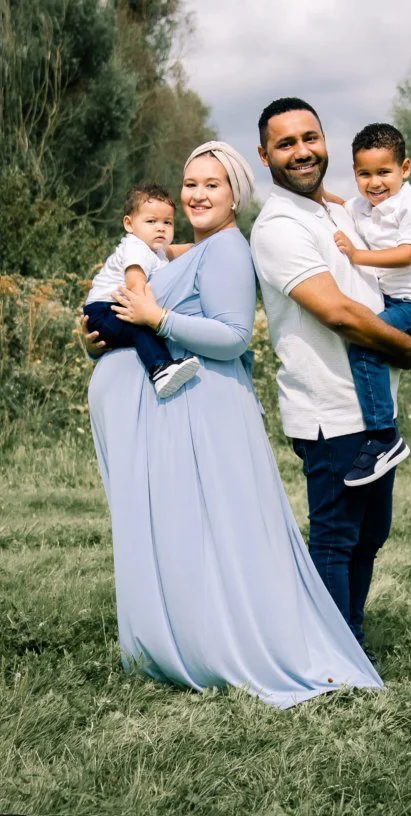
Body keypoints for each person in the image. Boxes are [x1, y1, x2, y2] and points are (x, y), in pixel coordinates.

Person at [84, 140, 383, 709]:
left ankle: (222, 640)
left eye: (212, 184)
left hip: (202, 411)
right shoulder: (177, 253)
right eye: (190, 183)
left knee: (214, 533)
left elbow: (232, 336)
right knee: (188, 532)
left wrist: (158, 317)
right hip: (174, 414)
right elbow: (118, 308)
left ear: (235, 195)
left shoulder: (226, 251)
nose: (197, 193)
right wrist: (95, 335)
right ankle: (188, 634)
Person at [250, 98, 411, 652]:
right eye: (286, 143)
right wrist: (406, 348)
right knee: (336, 538)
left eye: (311, 137)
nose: (302, 151)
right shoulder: (278, 226)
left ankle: (348, 637)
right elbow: (337, 312)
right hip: (328, 411)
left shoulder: (332, 211)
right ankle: (330, 655)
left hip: (370, 410)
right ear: (264, 155)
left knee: (370, 534)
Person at [329, 122, 411, 487]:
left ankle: (384, 437)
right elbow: (334, 202)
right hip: (399, 301)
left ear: (405, 169)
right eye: (365, 174)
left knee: (365, 347)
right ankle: (408, 357)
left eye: (384, 172)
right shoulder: (361, 205)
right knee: (379, 351)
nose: (375, 183)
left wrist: (357, 255)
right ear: (355, 173)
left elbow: (407, 255)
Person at [84, 183, 199, 399]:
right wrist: (149, 314)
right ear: (129, 224)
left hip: (112, 309)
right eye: (151, 221)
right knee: (140, 325)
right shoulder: (136, 247)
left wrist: (202, 247)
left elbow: (179, 250)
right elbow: (135, 282)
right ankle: (161, 369)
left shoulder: (158, 251)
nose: (161, 228)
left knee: (142, 324)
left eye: (168, 222)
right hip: (102, 311)